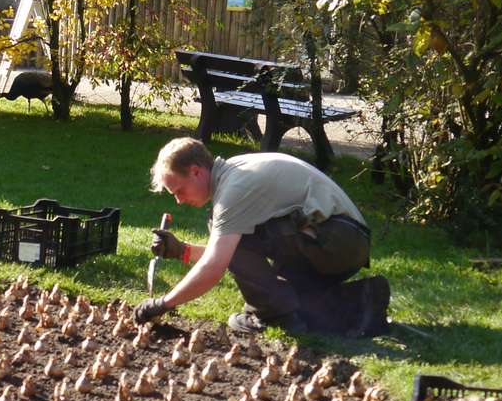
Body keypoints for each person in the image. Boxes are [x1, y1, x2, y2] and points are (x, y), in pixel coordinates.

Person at [134, 137, 390, 337]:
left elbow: (217, 264)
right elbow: (227, 254)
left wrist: (163, 304)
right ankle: (363, 298)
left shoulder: (234, 191)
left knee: (224, 229)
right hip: (339, 243)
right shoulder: (234, 174)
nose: (179, 201)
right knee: (300, 306)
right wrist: (182, 251)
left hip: (339, 240)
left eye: (179, 190)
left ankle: (274, 314)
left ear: (196, 171)